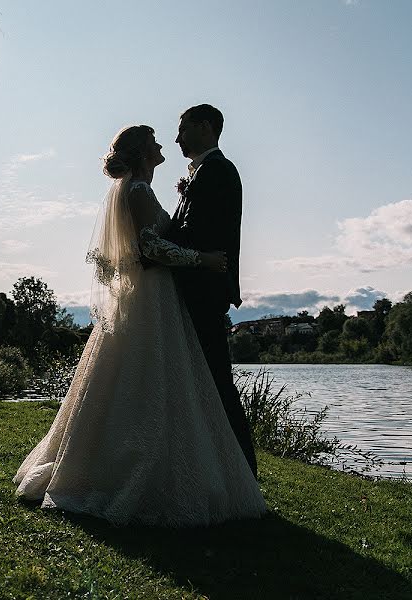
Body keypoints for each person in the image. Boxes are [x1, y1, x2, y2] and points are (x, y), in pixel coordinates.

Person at [13, 125, 266, 527]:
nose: (166, 143)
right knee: (153, 377)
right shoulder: (138, 191)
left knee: (139, 379)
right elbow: (151, 247)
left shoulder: (133, 190)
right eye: (155, 140)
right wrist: (202, 259)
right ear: (143, 152)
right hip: (152, 293)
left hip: (152, 293)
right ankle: (133, 473)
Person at [170, 104, 258, 476]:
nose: (177, 138)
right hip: (197, 289)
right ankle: (212, 466)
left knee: (218, 382)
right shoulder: (205, 172)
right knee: (203, 382)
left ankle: (242, 472)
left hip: (204, 292)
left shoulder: (217, 171)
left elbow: (197, 236)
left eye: (183, 129)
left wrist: (153, 241)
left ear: (205, 127)